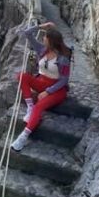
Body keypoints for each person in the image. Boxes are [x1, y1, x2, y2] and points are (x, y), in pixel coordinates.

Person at [11, 21, 72, 152]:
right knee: (22, 76)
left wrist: (48, 92)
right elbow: (27, 33)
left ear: (51, 41)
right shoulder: (42, 50)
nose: (42, 38)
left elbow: (64, 80)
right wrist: (40, 26)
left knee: (39, 106)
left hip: (57, 89)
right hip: (42, 82)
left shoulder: (63, 59)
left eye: (45, 37)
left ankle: (23, 136)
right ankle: (29, 107)